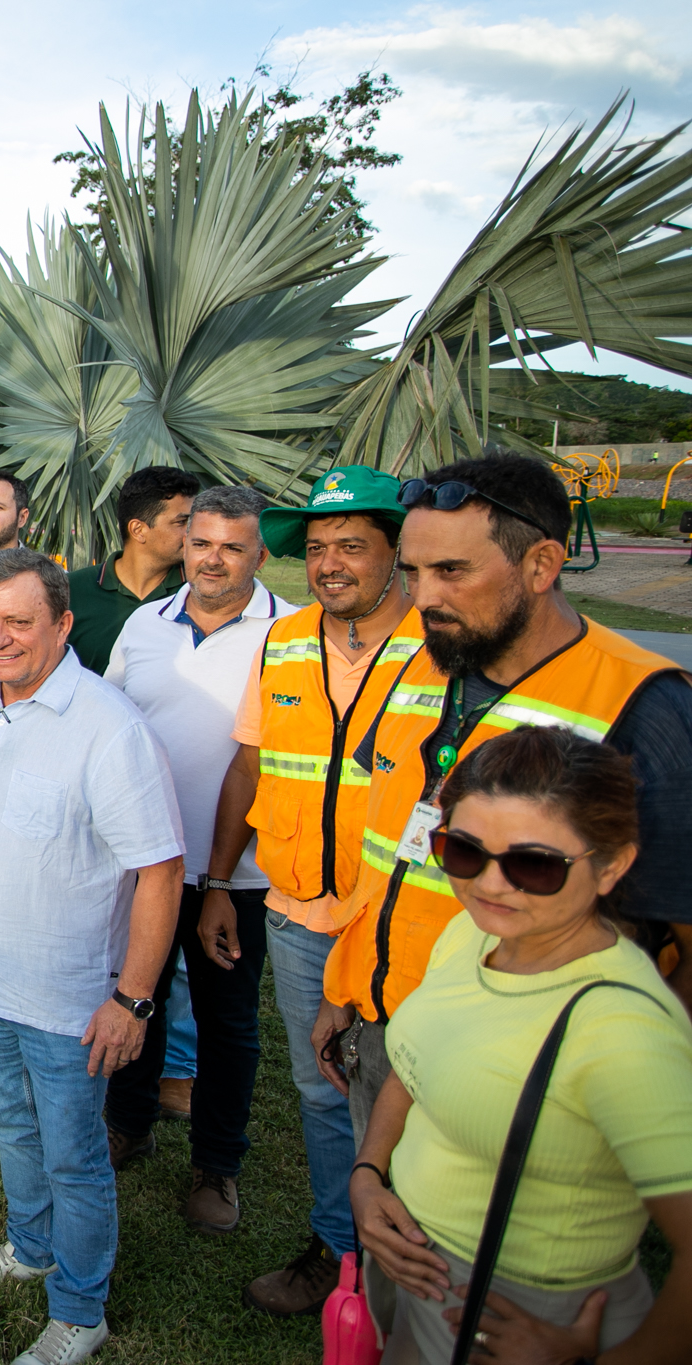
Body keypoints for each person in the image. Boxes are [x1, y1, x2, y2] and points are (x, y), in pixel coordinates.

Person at [318, 455, 692, 1145]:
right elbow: (389, 849)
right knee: (385, 1225)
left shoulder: (646, 705)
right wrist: (351, 988)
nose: (424, 596)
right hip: (387, 1021)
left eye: (452, 571)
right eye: (414, 572)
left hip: (527, 1066)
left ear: (543, 565)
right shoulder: (420, 666)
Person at [0, 548, 184, 1365]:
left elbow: (160, 869)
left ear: (63, 623)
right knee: (10, 1128)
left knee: (74, 1156)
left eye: (19, 622)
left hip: (69, 997)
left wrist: (133, 998)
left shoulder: (110, 727)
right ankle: (29, 1247)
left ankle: (79, 1306)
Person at [350, 727, 692, 1365]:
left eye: (533, 864)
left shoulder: (623, 1032)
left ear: (612, 864)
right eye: (463, 851)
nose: (491, 885)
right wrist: (369, 1175)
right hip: (420, 1271)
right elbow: (417, 1063)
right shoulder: (470, 935)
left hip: (517, 1306)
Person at [204, 468, 422, 1315]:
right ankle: (342, 1257)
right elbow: (252, 765)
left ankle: (414, 1268)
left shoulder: (441, 646)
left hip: (403, 923)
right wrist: (222, 882)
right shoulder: (286, 639)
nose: (331, 563)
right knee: (324, 1088)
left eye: (352, 545)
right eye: (320, 547)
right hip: (297, 916)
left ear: (395, 551)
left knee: (412, 1096)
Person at [101, 486, 294, 1235]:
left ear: (260, 553)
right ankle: (131, 1122)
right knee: (134, 995)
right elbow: (113, 725)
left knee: (228, 1023)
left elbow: (266, 763)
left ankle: (218, 1165)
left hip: (234, 877)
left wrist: (218, 879)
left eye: (232, 546)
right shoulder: (145, 624)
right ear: (185, 544)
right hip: (144, 863)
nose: (213, 558)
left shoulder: (289, 634)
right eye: (201, 542)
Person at [66, 467, 200, 676]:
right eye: (181, 522)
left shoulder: (200, 590)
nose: (194, 533)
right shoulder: (69, 591)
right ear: (138, 530)